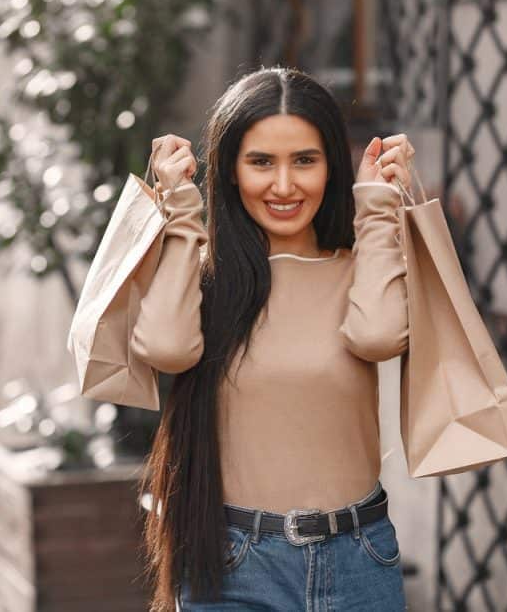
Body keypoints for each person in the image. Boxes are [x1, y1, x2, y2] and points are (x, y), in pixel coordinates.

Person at [133, 66, 415, 611]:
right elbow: (167, 349)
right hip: (234, 563)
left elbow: (378, 336)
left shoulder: (362, 268)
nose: (284, 186)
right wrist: (182, 213)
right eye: (261, 161)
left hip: (358, 558)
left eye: (304, 161)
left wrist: (378, 208)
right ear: (232, 170)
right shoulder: (203, 277)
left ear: (332, 167)